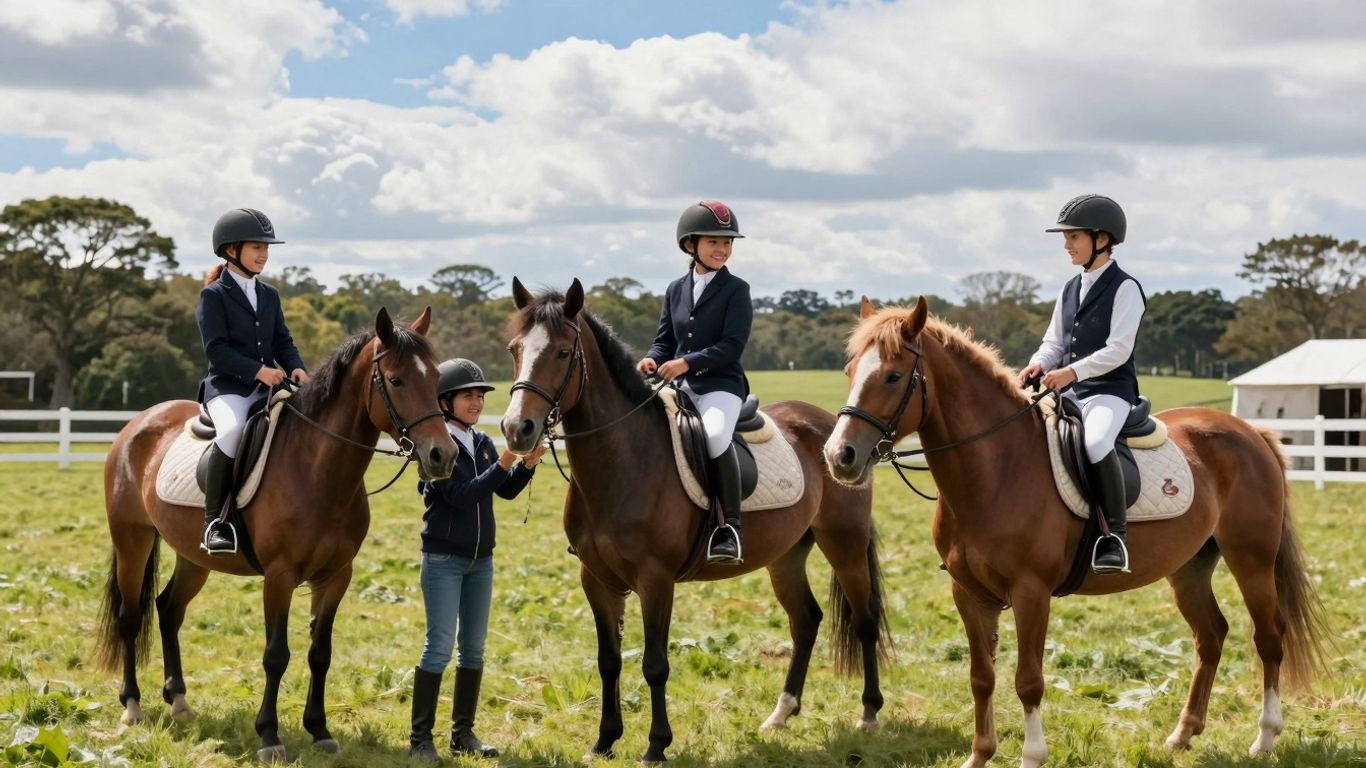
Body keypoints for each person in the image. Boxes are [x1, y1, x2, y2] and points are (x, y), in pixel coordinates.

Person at [408, 358, 545, 761]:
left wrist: (526, 468)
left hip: (480, 561)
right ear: (446, 401)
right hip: (444, 561)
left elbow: (502, 493)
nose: (477, 403)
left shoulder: (481, 443)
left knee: (474, 650)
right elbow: (463, 496)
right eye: (468, 396)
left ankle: (462, 734)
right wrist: (506, 462)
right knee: (438, 649)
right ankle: (420, 741)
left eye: (480, 396)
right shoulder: (436, 447)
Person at [1018, 194, 1146, 574]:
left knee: (1095, 441)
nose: (1066, 245)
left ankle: (1114, 537)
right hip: (1069, 393)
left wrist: (1072, 373)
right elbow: (1054, 341)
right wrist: (1038, 364)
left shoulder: (1126, 289)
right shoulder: (1069, 288)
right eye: (1066, 237)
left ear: (1101, 239)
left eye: (1074, 237)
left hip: (1110, 393)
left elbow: (1118, 350)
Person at [635, 200, 754, 565]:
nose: (722, 249)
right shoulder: (674, 289)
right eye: (714, 242)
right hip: (679, 388)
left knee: (715, 435)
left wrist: (686, 363)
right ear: (691, 245)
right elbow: (664, 340)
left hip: (721, 386)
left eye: (727, 243)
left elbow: (732, 346)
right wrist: (652, 359)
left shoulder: (736, 289)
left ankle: (728, 528)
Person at [196, 208, 308, 556]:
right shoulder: (213, 296)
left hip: (270, 387)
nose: (264, 254)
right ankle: (215, 521)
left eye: (267, 248)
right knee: (231, 433)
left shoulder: (269, 295)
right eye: (257, 247)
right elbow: (217, 351)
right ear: (232, 250)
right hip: (228, 389)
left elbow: (282, 342)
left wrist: (297, 367)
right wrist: (259, 371)